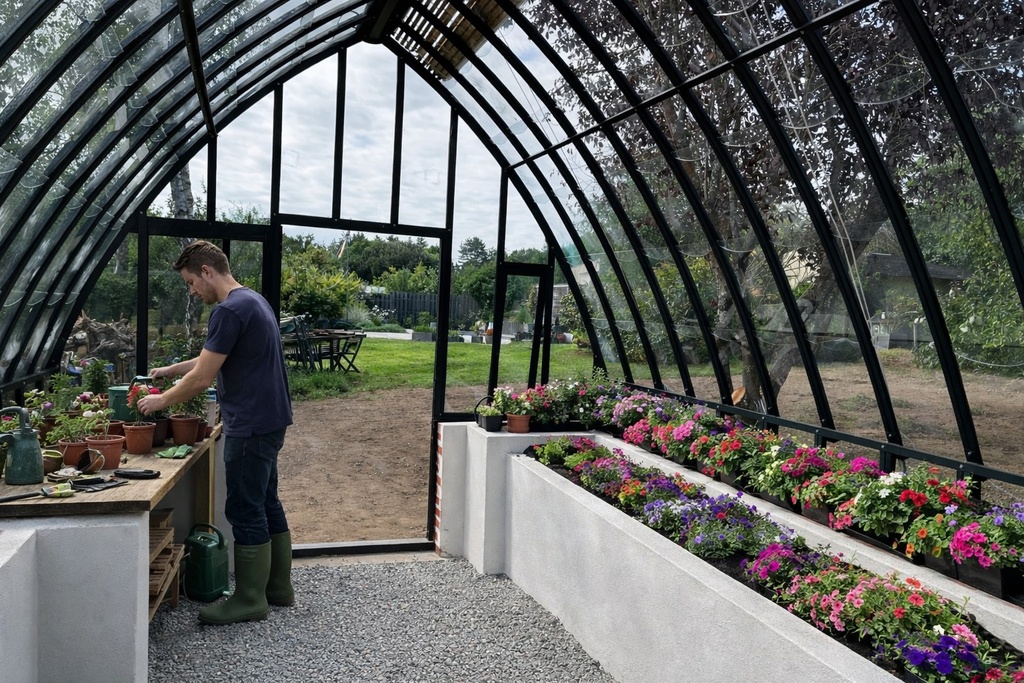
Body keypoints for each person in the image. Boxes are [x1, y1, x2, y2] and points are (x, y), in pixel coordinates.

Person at [138, 240, 294, 625]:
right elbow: (214, 355)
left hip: (249, 424)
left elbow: (203, 377)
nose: (192, 291)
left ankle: (249, 600)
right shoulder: (253, 301)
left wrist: (160, 401)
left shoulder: (227, 310)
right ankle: (277, 588)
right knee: (265, 501)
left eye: (191, 282)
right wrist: (172, 370)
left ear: (207, 271)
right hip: (270, 420)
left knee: (244, 507)